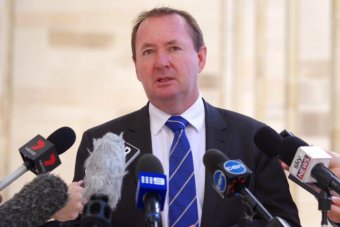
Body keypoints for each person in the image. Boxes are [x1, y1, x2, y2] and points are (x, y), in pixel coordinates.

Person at [62, 6, 301, 227]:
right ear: (136, 68)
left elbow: (284, 222)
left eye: (173, 48)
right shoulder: (103, 143)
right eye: (148, 52)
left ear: (200, 58)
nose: (161, 62)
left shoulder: (251, 140)